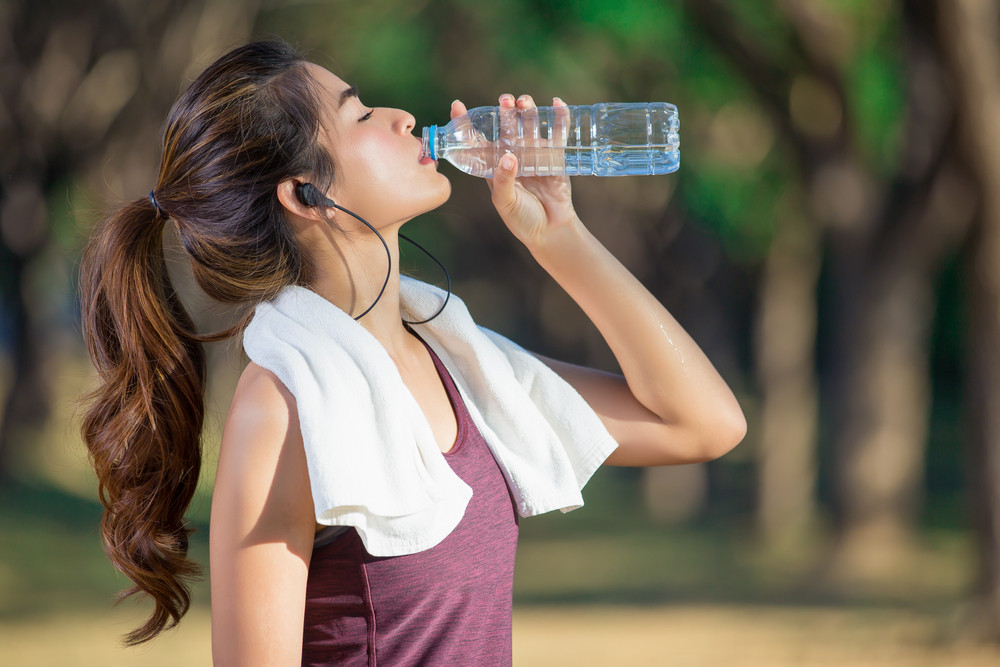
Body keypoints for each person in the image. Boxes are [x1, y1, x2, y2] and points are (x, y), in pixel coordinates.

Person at [78, 40, 745, 665]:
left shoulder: (462, 364)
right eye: (361, 114)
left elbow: (703, 423)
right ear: (305, 194)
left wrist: (559, 235)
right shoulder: (283, 405)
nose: (402, 117)